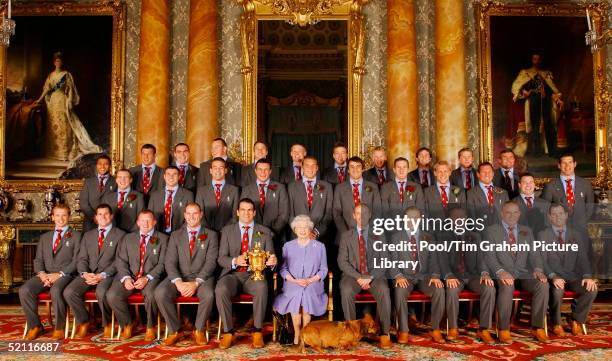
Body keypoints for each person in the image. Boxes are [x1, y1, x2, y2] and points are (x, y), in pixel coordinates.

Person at [484, 201, 549, 343]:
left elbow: (535, 254)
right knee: (507, 286)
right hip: (503, 273)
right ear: (501, 213)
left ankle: (537, 327)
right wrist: (500, 272)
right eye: (508, 212)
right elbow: (489, 255)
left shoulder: (526, 230)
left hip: (523, 273)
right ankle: (504, 329)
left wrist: (538, 270)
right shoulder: (492, 230)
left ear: (519, 214)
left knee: (542, 285)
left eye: (515, 212)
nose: (512, 215)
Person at [215, 198, 277, 349]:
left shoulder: (265, 232)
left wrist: (273, 262)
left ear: (254, 213)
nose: (246, 213)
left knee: (262, 287)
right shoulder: (227, 231)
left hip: (254, 276)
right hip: (233, 274)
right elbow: (221, 258)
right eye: (243, 210)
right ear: (237, 212)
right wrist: (235, 260)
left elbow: (271, 256)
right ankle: (229, 332)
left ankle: (257, 331)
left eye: (250, 210)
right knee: (220, 289)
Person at [155, 203, 219, 346]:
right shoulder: (175, 235)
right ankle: (175, 330)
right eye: (188, 213)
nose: (191, 217)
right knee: (160, 293)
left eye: (195, 213)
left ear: (201, 214)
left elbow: (211, 262)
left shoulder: (212, 235)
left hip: (202, 277)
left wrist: (196, 283)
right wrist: (178, 282)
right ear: (184, 215)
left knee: (208, 295)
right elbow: (170, 262)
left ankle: (199, 330)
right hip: (180, 277)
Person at [20, 204, 82, 340]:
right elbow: (38, 259)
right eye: (58, 215)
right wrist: (42, 274)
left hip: (66, 275)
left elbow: (77, 261)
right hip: (45, 274)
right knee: (25, 290)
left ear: (69, 217)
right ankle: (35, 326)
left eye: (64, 215)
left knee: (56, 290)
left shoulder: (77, 236)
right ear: (52, 217)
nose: (61, 218)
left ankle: (59, 327)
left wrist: (59, 274)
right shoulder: (45, 237)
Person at [63, 204, 125, 339]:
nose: (103, 217)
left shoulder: (120, 235)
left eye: (106, 214)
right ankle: (84, 321)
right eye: (100, 214)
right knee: (69, 292)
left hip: (108, 275)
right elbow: (82, 258)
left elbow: (119, 261)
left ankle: (108, 324)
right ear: (96, 218)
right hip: (88, 273)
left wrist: (102, 275)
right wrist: (84, 273)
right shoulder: (88, 235)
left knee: (102, 292)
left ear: (111, 216)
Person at [438, 207, 496, 344]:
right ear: (449, 220)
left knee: (489, 288)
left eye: (461, 217)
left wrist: (485, 273)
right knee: (451, 289)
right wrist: (448, 275)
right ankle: (453, 327)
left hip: (472, 275)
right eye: (455, 218)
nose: (458, 221)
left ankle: (484, 329)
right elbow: (442, 261)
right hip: (454, 275)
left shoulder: (475, 236)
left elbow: (481, 259)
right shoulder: (443, 237)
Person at [107, 210, 168, 341]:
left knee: (151, 295)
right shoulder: (128, 238)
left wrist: (147, 278)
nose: (145, 223)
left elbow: (163, 264)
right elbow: (121, 260)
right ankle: (127, 324)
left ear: (154, 222)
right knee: (112, 295)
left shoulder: (163, 239)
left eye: (149, 220)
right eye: (142, 220)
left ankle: (150, 326)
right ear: (138, 222)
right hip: (130, 276)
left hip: (150, 277)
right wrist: (126, 277)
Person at [338, 204, 392, 348]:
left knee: (384, 290)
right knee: (346, 290)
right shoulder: (346, 236)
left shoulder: (380, 235)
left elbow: (385, 260)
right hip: (353, 276)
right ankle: (350, 332)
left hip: (375, 275)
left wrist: (370, 277)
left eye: (364, 213)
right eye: (358, 214)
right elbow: (342, 261)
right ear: (354, 216)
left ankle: (384, 333)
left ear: (369, 215)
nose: (361, 217)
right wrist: (358, 277)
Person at [539, 203, 597, 336]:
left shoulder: (576, 235)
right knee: (558, 290)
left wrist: (587, 276)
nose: (557, 217)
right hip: (552, 276)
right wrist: (553, 276)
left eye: (560, 214)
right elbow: (541, 261)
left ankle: (576, 319)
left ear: (566, 216)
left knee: (591, 289)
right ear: (549, 217)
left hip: (572, 276)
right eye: (554, 214)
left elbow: (583, 259)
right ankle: (556, 322)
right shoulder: (543, 235)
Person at [390, 207, 445, 344]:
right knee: (400, 290)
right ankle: (403, 330)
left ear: (420, 219)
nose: (412, 221)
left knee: (438, 289)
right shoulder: (396, 237)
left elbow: (434, 260)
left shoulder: (428, 237)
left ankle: (435, 328)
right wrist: (397, 276)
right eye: (409, 218)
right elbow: (391, 261)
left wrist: (435, 275)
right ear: (404, 219)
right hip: (405, 276)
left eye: (415, 218)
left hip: (424, 276)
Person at [34, 52, 102, 163]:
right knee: (53, 126)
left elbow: (71, 89)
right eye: (56, 61)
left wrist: (69, 101)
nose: (58, 63)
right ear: (54, 63)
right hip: (53, 103)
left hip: (62, 101)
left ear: (62, 62)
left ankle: (65, 152)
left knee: (64, 126)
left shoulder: (66, 74)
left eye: (60, 61)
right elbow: (46, 89)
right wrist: (39, 99)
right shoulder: (50, 75)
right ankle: (54, 153)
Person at [273, 215, 328, 345]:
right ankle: (297, 333)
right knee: (296, 294)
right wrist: (294, 280)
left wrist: (310, 280)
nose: (302, 230)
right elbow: (283, 269)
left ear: (310, 230)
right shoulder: (288, 246)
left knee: (307, 294)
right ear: (294, 229)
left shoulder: (320, 246)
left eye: (305, 227)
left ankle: (306, 332)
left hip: (313, 283)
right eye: (299, 227)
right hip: (293, 283)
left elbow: (324, 270)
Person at [510, 53, 564, 157]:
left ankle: (552, 151)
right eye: (535, 59)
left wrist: (558, 100)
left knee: (549, 125)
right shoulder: (526, 73)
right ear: (532, 60)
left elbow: (552, 90)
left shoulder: (546, 73)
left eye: (538, 59)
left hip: (546, 101)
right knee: (534, 126)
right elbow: (517, 87)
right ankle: (535, 151)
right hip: (533, 101)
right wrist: (524, 92)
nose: (537, 61)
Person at [240, 158, 289, 253]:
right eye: (260, 169)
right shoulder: (246, 189)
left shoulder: (280, 188)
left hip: (275, 236)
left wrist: (272, 232)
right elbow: (243, 213)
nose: (263, 172)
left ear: (270, 171)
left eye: (266, 169)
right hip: (252, 235)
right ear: (255, 171)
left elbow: (284, 214)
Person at [541, 153, 594, 231]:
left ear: (575, 164)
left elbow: (590, 207)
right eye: (564, 163)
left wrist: (582, 222)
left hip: (581, 229)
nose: (567, 166)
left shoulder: (585, 184)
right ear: (559, 165)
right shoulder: (550, 186)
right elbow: (545, 210)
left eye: (570, 162)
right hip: (559, 230)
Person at [287, 156, 334, 240]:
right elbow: (289, 213)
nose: (310, 168)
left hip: (319, 237)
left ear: (317, 168)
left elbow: (329, 214)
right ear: (302, 167)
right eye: (307, 165)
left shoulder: (327, 186)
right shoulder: (291, 187)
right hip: (297, 236)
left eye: (313, 165)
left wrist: (315, 232)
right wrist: (300, 231)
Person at [333, 156, 381, 235]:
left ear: (363, 169)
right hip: (346, 234)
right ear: (348, 170)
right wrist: (346, 232)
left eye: (358, 166)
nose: (355, 169)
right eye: (352, 167)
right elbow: (337, 213)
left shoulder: (373, 187)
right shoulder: (339, 188)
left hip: (369, 233)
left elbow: (377, 211)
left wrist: (370, 230)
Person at [195, 157, 240, 232]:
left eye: (221, 168)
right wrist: (210, 232)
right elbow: (199, 214)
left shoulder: (234, 190)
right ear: (211, 171)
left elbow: (235, 215)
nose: (218, 170)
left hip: (228, 232)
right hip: (206, 233)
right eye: (215, 168)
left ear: (225, 170)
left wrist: (225, 230)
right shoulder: (201, 191)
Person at [147, 166, 194, 234]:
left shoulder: (188, 195)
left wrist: (179, 233)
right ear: (164, 176)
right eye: (168, 174)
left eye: (174, 174)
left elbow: (190, 217)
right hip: (158, 234)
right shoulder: (154, 195)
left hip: (180, 234)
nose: (171, 177)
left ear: (179, 177)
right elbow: (150, 216)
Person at [79, 155, 116, 231]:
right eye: (100, 164)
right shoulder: (88, 182)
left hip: (109, 222)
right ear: (96, 166)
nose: (102, 166)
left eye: (106, 164)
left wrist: (106, 217)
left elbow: (118, 202)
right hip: (90, 222)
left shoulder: (116, 181)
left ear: (109, 166)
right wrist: (95, 217)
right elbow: (83, 204)